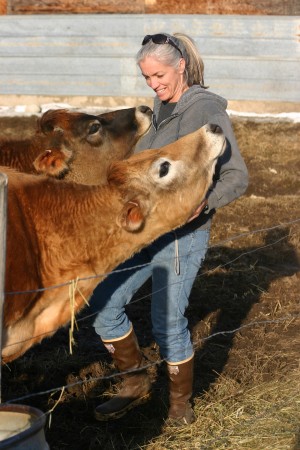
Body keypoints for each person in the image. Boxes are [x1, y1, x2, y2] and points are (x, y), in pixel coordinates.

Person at [90, 32, 248, 426]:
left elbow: (237, 176)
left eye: (159, 75)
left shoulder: (203, 110)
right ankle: (134, 382)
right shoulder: (160, 110)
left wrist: (205, 204)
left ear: (180, 66)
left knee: (167, 324)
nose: (154, 84)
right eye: (147, 78)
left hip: (180, 237)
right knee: (104, 309)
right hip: (142, 232)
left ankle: (180, 406)